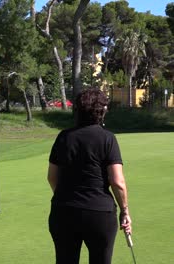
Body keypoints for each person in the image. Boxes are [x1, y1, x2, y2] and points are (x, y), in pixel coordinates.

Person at [47, 89, 132, 264]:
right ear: (102, 111)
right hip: (99, 214)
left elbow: (52, 177)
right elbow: (117, 181)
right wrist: (125, 211)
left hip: (63, 211)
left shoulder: (64, 137)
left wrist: (65, 195)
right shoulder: (107, 138)